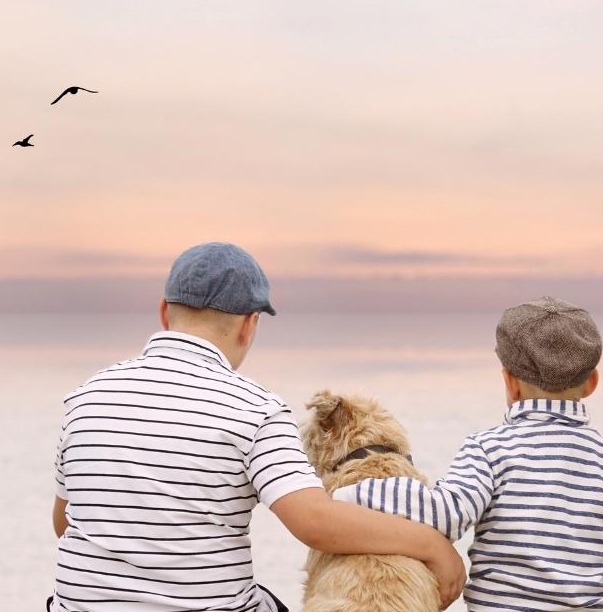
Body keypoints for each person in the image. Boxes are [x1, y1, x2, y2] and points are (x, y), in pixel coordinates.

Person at [50, 242, 465, 611]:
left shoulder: (85, 396)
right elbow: (317, 524)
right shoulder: (254, 408)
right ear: (249, 325)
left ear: (164, 311)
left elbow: (65, 522)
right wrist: (430, 545)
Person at [333, 297, 603, 611]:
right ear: (592, 383)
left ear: (510, 381)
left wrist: (350, 493)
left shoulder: (489, 450)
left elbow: (444, 513)